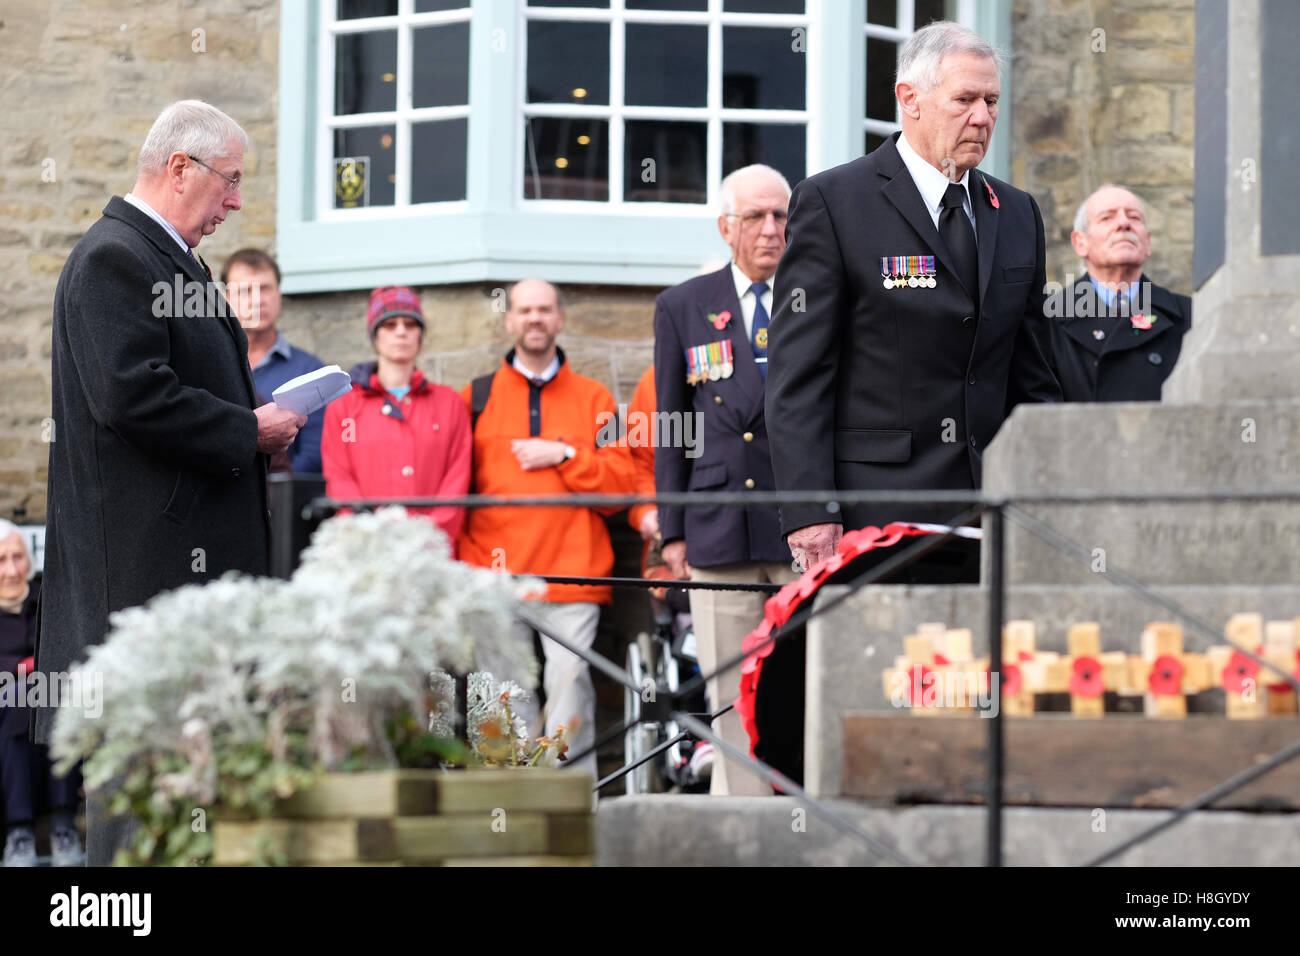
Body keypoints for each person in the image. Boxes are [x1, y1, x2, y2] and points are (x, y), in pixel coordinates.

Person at [41, 100, 305, 865]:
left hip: (180, 604)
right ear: (179, 167)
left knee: (189, 815)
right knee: (139, 828)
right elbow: (132, 396)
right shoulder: (113, 259)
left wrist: (262, 414)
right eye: (229, 181)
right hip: (140, 605)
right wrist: (248, 429)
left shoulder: (168, 261)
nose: (237, 202)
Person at [767, 21, 1062, 581]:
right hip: (876, 515)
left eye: (992, 101)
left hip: (995, 512)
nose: (983, 117)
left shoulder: (1018, 212)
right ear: (910, 100)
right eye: (965, 100)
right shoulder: (834, 203)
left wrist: (1043, 490)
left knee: (986, 669)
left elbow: (1034, 377)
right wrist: (810, 512)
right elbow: (798, 376)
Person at [653, 165, 798, 795]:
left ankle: (810, 827)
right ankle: (742, 835)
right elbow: (672, 423)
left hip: (803, 525)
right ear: (725, 228)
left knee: (801, 686)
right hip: (718, 524)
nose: (771, 230)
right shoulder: (683, 306)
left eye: (782, 217)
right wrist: (672, 530)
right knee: (731, 694)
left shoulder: (817, 296)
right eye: (756, 218)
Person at [458, 279, 635, 781]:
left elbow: (620, 490)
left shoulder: (595, 397)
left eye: (544, 310)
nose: (535, 319)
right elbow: (454, 485)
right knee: (499, 695)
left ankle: (571, 813)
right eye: (525, 310)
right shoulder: (475, 396)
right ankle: (504, 814)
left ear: (559, 319)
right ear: (509, 320)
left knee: (570, 688)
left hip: (572, 572)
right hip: (495, 574)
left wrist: (567, 455)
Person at [321, 286, 471, 548]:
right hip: (367, 550)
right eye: (390, 325)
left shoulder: (450, 403)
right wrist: (369, 535)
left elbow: (456, 481)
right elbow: (338, 478)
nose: (401, 331)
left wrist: (429, 537)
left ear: (420, 336)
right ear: (375, 336)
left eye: (410, 324)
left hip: (431, 553)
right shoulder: (343, 406)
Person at [1047, 184, 1192, 402]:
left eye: (1134, 217)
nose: (1124, 224)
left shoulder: (1189, 316)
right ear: (1080, 243)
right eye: (1107, 218)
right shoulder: (1047, 321)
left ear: (1147, 242)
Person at [0, 523, 84, 867]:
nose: (10, 570)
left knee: (53, 696)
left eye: (18, 557)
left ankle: (63, 825)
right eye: (1, 559)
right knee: (21, 695)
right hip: (6, 718)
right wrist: (22, 670)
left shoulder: (49, 604)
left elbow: (70, 655)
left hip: (49, 705)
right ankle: (19, 832)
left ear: (29, 561)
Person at [223, 248, 327, 473]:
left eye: (265, 289)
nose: (257, 300)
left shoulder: (310, 372)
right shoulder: (211, 366)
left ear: (279, 294)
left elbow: (314, 456)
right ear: (226, 299)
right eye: (245, 290)